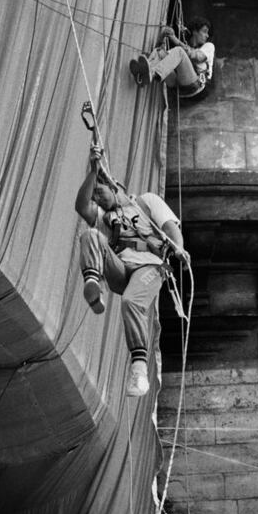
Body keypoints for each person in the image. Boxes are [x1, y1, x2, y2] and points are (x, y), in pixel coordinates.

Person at [75, 151, 190, 397]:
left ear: (116, 187)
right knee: (90, 235)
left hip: (153, 265)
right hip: (123, 269)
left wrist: (178, 248)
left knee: (131, 302)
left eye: (99, 191)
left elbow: (170, 226)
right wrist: (94, 171)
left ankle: (138, 372)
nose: (97, 199)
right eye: (95, 195)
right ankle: (93, 284)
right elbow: (81, 206)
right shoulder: (106, 218)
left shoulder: (147, 202)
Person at [129, 19, 215, 100]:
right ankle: (142, 75)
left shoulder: (209, 46)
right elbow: (167, 60)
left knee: (179, 51)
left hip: (196, 86)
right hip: (178, 88)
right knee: (160, 53)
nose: (207, 36)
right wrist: (162, 40)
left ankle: (151, 73)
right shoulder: (187, 45)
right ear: (195, 31)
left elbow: (197, 57)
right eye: (204, 31)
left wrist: (174, 39)